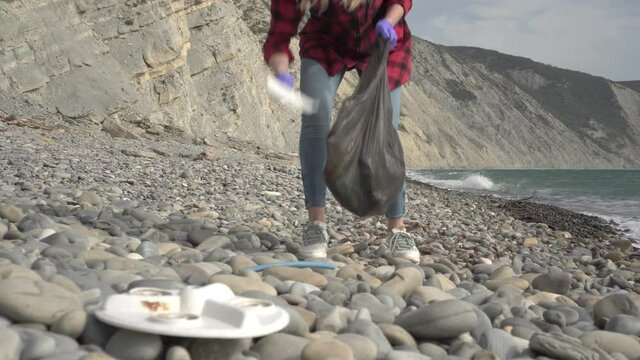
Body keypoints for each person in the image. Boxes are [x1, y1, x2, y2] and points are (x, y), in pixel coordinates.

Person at [263, 0, 419, 263]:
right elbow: (280, 32)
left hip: (383, 41)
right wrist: (280, 70)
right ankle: (316, 225)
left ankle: (397, 228)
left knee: (385, 128)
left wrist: (389, 20)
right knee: (316, 119)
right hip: (327, 42)